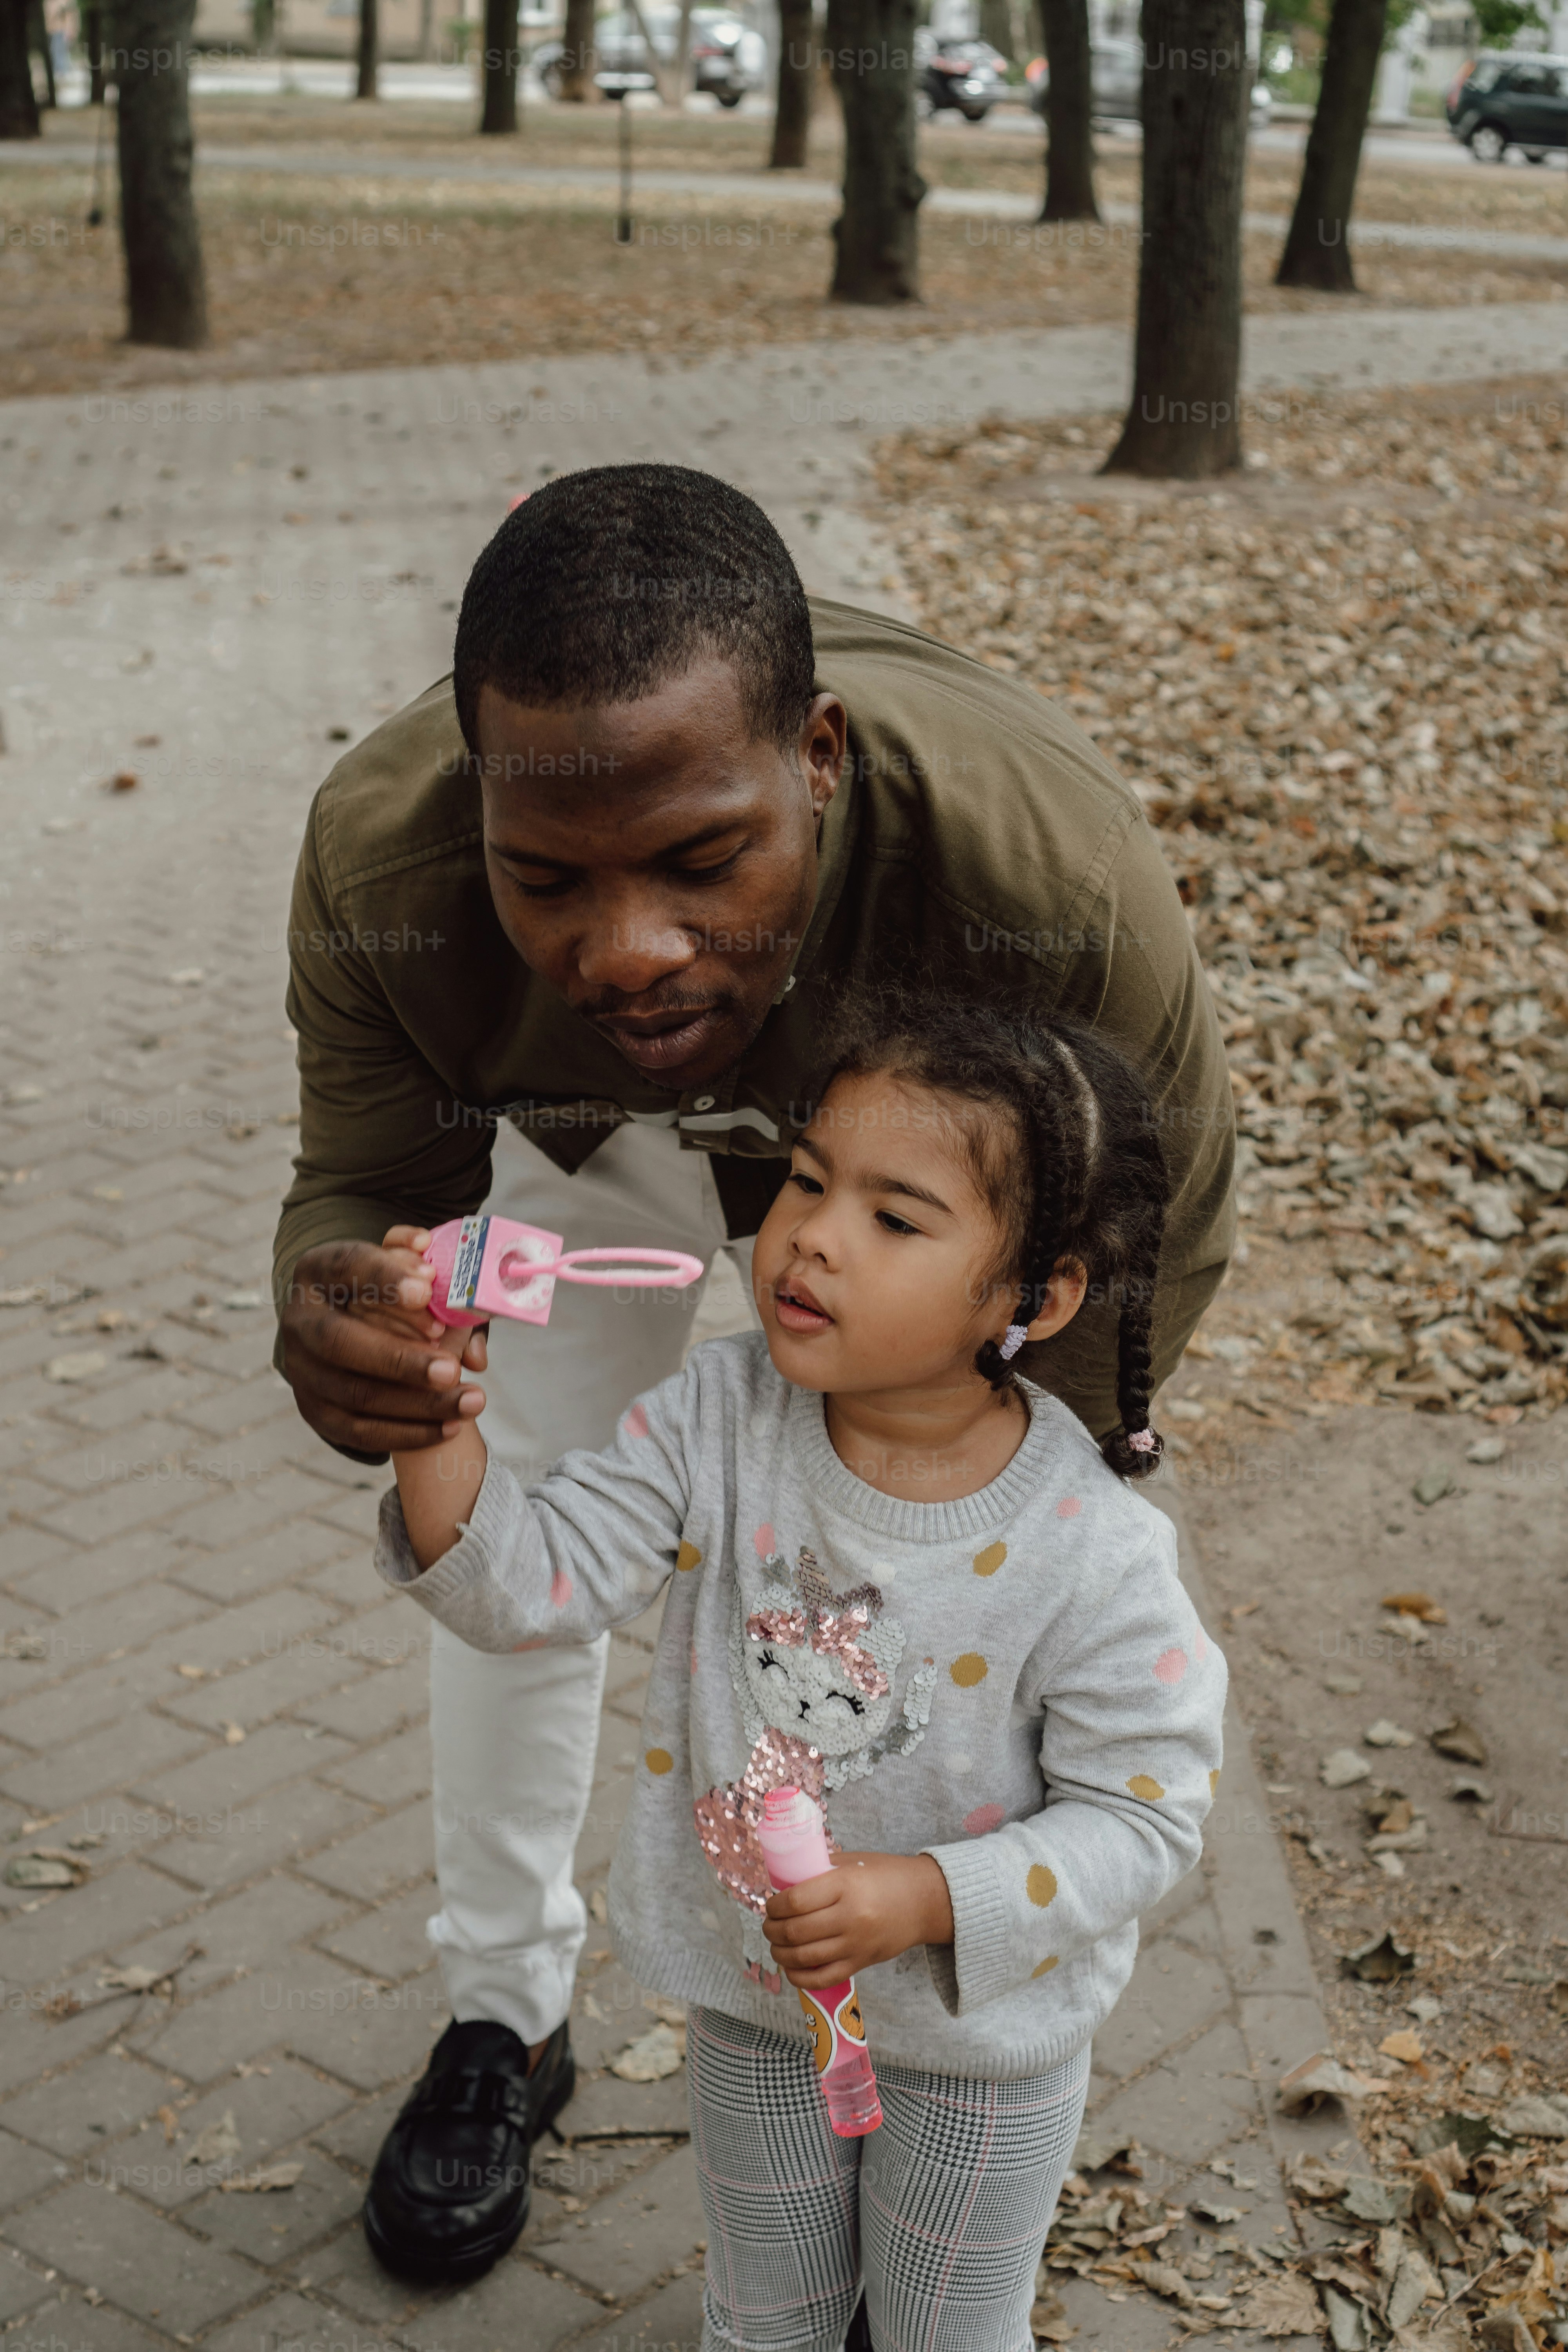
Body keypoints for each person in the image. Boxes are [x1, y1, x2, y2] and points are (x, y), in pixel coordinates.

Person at [272, 463, 1236, 2281]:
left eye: (700, 860)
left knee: (961, 1553)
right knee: (531, 1503)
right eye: (547, 878)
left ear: (817, 754)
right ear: (475, 811)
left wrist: (1056, 1455)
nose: (625, 945)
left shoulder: (1037, 869)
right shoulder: (384, 863)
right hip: (590, 1149)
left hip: (921, 1143)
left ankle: (956, 2007)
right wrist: (346, 1327)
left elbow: (1143, 1213)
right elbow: (363, 1192)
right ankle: (501, 2016)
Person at [371, 991, 1227, 2352]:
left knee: (943, 2332)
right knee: (765, 2317)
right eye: (810, 1180)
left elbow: (1147, 1814)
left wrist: (926, 1896)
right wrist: (429, 1413)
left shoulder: (1097, 1553)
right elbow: (529, 1589)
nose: (815, 1235)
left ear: (1036, 1293)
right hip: (758, 2011)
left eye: (896, 1218)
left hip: (980, 2057)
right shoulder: (715, 1419)